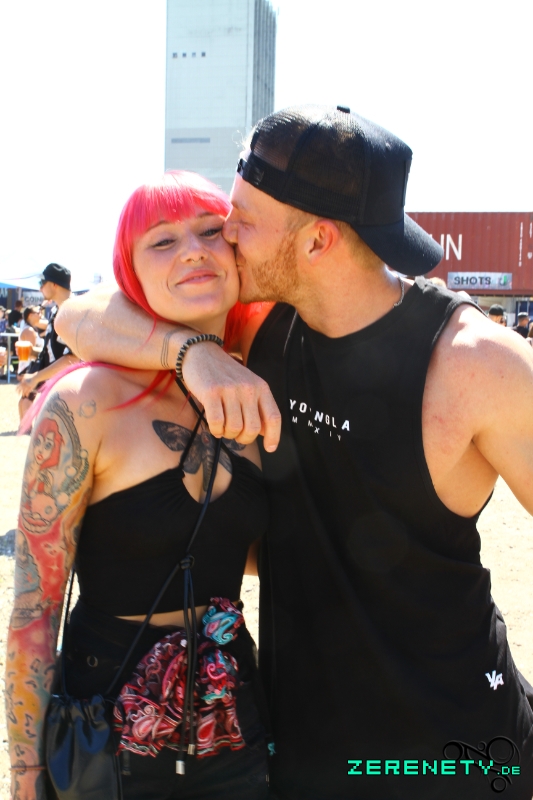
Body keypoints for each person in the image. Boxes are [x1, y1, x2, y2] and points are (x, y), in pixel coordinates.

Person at [56, 106, 533, 800]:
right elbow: (78, 315)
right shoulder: (260, 330)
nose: (225, 237)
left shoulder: (474, 363)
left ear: (317, 240)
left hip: (456, 755)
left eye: (242, 221)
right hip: (298, 751)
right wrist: (188, 353)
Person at [6, 172, 271, 800]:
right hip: (107, 722)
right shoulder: (85, 401)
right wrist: (24, 770)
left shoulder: (260, 389)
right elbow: (34, 609)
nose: (193, 251)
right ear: (131, 272)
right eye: (162, 241)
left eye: (210, 231)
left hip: (234, 712)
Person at [17, 263, 78, 420]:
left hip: (69, 394)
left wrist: (35, 377)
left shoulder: (72, 311)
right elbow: (55, 353)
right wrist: (31, 352)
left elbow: (72, 359)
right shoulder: (58, 310)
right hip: (58, 390)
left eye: (42, 283)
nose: (40, 288)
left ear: (54, 284)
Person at [17, 306, 45, 375]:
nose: (40, 315)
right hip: (29, 369)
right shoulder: (29, 331)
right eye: (38, 313)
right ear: (30, 315)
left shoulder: (30, 329)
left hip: (29, 369)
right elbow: (31, 354)